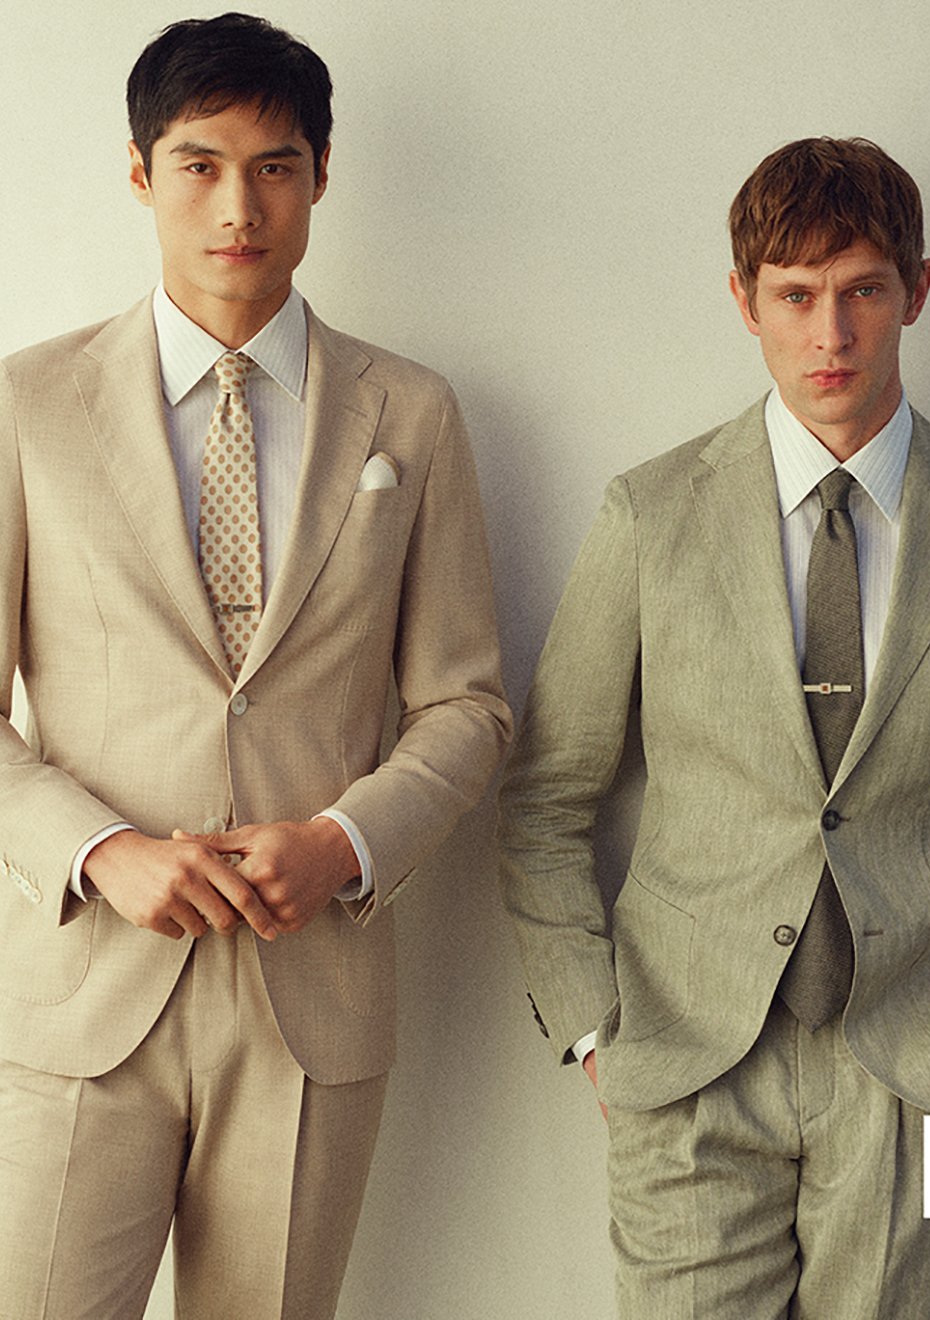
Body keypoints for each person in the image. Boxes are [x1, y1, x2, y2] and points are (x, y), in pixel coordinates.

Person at [498, 136, 930, 1318]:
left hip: (914, 1066)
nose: (832, 335)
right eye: (796, 296)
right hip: (688, 1057)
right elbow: (547, 798)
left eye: (863, 292)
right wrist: (595, 1025)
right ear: (744, 301)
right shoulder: (651, 515)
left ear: (918, 290)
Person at [0, 13, 511, 1318]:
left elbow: (465, 705)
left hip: (310, 991)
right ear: (140, 174)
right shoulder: (28, 405)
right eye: (201, 165)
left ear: (321, 176)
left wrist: (345, 841)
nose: (240, 206)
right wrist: (102, 850)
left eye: (275, 167)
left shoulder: (412, 414)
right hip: (86, 988)